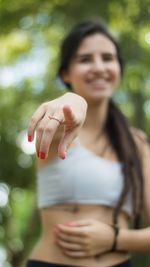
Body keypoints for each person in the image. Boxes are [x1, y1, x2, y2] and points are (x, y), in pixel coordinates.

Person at [26, 19, 150, 267]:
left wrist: (114, 239)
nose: (98, 67)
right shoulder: (58, 126)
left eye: (107, 58)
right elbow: (70, 106)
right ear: (65, 73)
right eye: (85, 60)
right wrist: (74, 101)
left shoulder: (135, 143)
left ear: (118, 68)